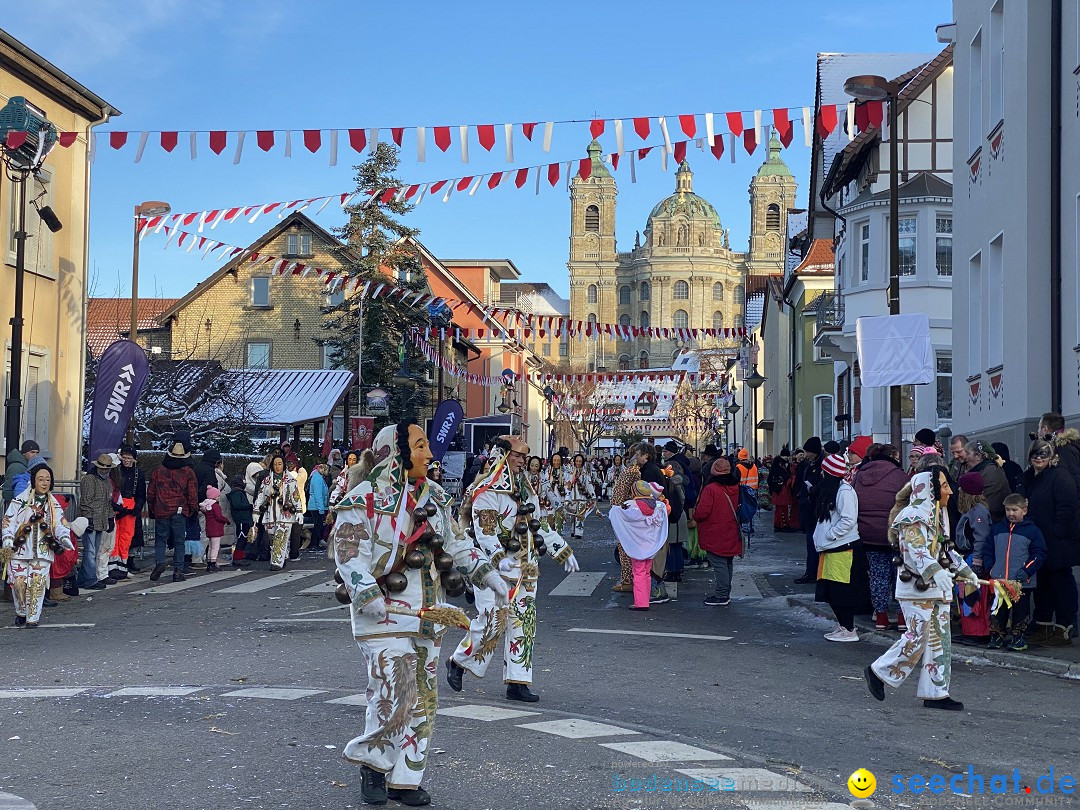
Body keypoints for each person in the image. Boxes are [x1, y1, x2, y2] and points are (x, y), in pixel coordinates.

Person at [333, 420, 507, 807]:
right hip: (384, 612)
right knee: (395, 690)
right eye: (420, 446)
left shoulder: (438, 497)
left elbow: (458, 545)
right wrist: (365, 592)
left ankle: (405, 778)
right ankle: (374, 766)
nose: (429, 454)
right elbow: (347, 549)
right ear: (395, 453)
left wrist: (486, 573)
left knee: (424, 697)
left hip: (429, 614)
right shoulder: (365, 497)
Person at [447, 435, 579, 703]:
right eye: (517, 456)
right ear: (503, 456)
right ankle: (458, 661)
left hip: (527, 567)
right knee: (493, 621)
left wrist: (561, 550)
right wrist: (498, 557)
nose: (522, 461)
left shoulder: (527, 490)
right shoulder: (487, 491)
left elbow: (538, 525)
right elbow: (485, 533)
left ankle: (518, 682)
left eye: (523, 456)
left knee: (524, 622)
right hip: (494, 570)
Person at [864, 467, 980, 711]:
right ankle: (878, 671)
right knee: (917, 636)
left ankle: (936, 692)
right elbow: (916, 552)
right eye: (944, 485)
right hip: (916, 589)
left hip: (936, 589)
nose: (950, 490)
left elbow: (945, 551)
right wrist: (936, 572)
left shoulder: (937, 514)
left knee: (940, 640)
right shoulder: (912, 515)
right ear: (931, 489)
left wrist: (968, 573)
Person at [1017, 439, 1079, 646]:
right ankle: (1042, 626)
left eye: (1043, 454)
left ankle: (1064, 628)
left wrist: (1056, 531)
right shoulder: (1029, 477)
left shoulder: (1060, 476)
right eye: (1035, 454)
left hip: (1057, 542)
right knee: (1042, 584)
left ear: (1052, 456)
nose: (1039, 457)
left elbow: (1067, 506)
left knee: (1060, 583)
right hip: (1037, 540)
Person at [2, 463, 76, 627]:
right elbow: (9, 521)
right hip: (19, 550)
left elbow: (61, 523)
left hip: (43, 551)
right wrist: (7, 538)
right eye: (41, 479)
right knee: (19, 584)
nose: (44, 483)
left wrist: (64, 537)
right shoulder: (20, 500)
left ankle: (33, 618)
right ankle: (21, 612)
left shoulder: (53, 504)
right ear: (34, 481)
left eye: (48, 480)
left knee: (37, 583)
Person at [853, 441, 909, 630]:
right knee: (901, 576)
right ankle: (902, 618)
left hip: (868, 534)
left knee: (878, 576)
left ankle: (881, 617)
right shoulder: (900, 476)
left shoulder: (860, 475)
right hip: (895, 534)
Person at [813, 453, 869, 642]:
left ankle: (849, 629)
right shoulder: (836, 490)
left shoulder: (843, 491)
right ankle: (844, 625)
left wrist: (831, 534)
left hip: (842, 547)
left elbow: (848, 519)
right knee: (830, 591)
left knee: (841, 591)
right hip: (833, 547)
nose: (820, 474)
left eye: (823, 471)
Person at [981, 493, 1046, 651]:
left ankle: (1019, 638)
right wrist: (991, 567)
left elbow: (1039, 553)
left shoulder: (1032, 531)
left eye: (1015, 510)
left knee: (1020, 611)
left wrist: (1027, 570)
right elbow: (988, 549)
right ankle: (997, 635)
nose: (1011, 513)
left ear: (1024, 510)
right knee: (998, 609)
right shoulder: (997, 529)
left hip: (1021, 582)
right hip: (1000, 580)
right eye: (1008, 510)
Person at [608, 480, 669, 610]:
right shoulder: (658, 506)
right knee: (646, 572)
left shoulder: (630, 506)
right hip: (651, 544)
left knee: (638, 572)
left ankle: (641, 603)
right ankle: (645, 600)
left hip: (637, 545)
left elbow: (616, 512)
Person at [147, 436, 199, 583]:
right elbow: (192, 494)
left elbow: (151, 492)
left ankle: (160, 562)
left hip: (161, 509)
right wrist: (191, 510)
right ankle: (178, 570)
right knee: (179, 541)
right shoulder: (188, 472)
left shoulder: (158, 470)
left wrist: (153, 508)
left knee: (161, 539)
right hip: (179, 510)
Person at [693, 457, 743, 606]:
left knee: (718, 561)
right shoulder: (736, 486)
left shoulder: (711, 488)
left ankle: (722, 595)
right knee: (727, 561)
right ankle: (725, 592)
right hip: (731, 529)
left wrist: (694, 515)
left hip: (714, 530)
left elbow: (702, 512)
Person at [76, 453, 117, 591]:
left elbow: (108, 502)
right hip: (91, 519)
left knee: (93, 551)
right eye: (103, 468)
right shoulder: (89, 479)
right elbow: (85, 501)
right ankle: (90, 579)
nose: (105, 471)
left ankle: (83, 578)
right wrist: (88, 519)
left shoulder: (106, 481)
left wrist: (110, 518)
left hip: (101, 519)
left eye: (107, 469)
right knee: (90, 552)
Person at [254, 454, 301, 571]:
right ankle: (282, 556)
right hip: (270, 514)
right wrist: (256, 511)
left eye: (279, 464)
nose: (277, 466)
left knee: (281, 537)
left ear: (283, 465)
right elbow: (260, 495)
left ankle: (276, 563)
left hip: (285, 514)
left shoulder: (290, 480)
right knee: (272, 537)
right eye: (275, 464)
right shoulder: (266, 481)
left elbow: (296, 496)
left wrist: (299, 511)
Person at [793, 437, 823, 584]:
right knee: (811, 544)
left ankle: (814, 573)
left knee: (814, 544)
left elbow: (821, 486)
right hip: (808, 508)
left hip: (815, 510)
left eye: (807, 451)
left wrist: (812, 490)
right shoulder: (807, 465)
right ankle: (812, 572)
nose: (805, 454)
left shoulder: (819, 465)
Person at [114, 445, 146, 576]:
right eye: (124, 457)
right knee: (115, 536)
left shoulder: (139, 473)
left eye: (129, 458)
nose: (126, 460)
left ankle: (127, 561)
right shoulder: (116, 471)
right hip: (118, 505)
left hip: (132, 506)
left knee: (129, 537)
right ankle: (115, 563)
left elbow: (141, 494)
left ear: (134, 459)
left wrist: (136, 508)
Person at [963, 440, 1011, 522]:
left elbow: (984, 501)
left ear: (978, 456)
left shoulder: (990, 472)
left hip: (990, 521)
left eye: (968, 454)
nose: (965, 458)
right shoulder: (988, 469)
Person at [199, 486, 230, 572]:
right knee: (215, 547)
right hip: (216, 528)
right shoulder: (215, 506)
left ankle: (209, 562)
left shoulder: (206, 506)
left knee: (210, 546)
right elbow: (219, 517)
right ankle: (213, 563)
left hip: (209, 527)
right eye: (218, 496)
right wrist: (226, 520)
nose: (219, 497)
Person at [768, 447, 799, 533]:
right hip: (781, 489)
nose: (787, 458)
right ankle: (784, 525)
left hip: (779, 489)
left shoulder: (778, 464)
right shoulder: (780, 465)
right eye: (786, 456)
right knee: (782, 508)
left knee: (779, 509)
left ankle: (778, 525)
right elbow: (784, 476)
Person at [227, 474, 254, 568]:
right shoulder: (237, 493)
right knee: (242, 538)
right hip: (241, 519)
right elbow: (237, 505)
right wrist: (249, 506)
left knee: (243, 538)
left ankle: (240, 557)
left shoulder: (238, 492)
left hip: (243, 519)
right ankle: (238, 558)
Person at [2, 439, 39, 507]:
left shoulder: (27, 465)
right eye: (32, 452)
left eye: (37, 453)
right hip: (17, 505)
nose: (35, 455)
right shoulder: (17, 467)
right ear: (24, 453)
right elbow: (8, 490)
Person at [542, 452, 568, 534]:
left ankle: (559, 540)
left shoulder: (565, 473)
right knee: (550, 522)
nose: (556, 462)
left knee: (559, 523)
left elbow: (568, 487)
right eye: (554, 460)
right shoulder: (547, 473)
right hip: (549, 502)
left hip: (561, 500)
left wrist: (567, 499)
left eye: (558, 460)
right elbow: (544, 487)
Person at [307, 463, 330, 553]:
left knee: (318, 525)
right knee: (317, 526)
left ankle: (315, 543)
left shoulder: (318, 477)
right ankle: (313, 544)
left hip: (317, 506)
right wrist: (321, 509)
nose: (327, 472)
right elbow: (318, 495)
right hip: (316, 507)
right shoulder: (317, 478)